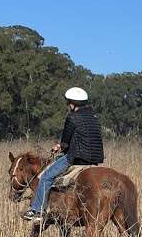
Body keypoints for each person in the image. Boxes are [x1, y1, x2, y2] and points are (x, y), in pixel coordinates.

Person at [22, 87, 104, 224]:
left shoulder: (72, 117)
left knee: (46, 177)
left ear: (72, 103)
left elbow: (65, 143)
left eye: (68, 103)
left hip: (76, 158)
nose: (68, 105)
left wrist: (58, 147)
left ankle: (37, 210)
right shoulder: (94, 117)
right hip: (94, 159)